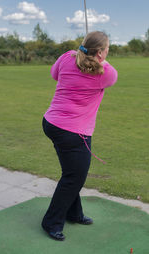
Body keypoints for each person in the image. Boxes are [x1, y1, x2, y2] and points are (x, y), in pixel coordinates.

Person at [41, 31, 118, 241]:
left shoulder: (67, 56)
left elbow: (54, 74)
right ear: (101, 52)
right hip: (72, 132)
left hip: (51, 124)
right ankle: (51, 222)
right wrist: (95, 58)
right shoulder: (106, 72)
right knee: (74, 178)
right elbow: (109, 73)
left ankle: (74, 214)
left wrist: (81, 54)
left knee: (71, 173)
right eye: (107, 49)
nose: (108, 52)